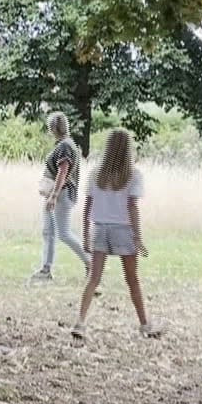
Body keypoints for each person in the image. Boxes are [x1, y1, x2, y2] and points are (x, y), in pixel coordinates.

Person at [72, 129, 162, 340]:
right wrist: (137, 236)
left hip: (100, 228)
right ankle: (144, 324)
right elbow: (132, 206)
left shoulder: (96, 174)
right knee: (132, 279)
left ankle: (80, 322)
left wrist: (85, 234)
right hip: (123, 230)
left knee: (93, 279)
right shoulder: (134, 175)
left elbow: (88, 205)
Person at [31, 112, 88, 282]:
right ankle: (46, 269)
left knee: (63, 233)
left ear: (53, 128)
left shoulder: (65, 146)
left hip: (61, 194)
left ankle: (91, 262)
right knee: (48, 232)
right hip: (57, 193)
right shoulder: (67, 144)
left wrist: (54, 196)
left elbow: (63, 171)